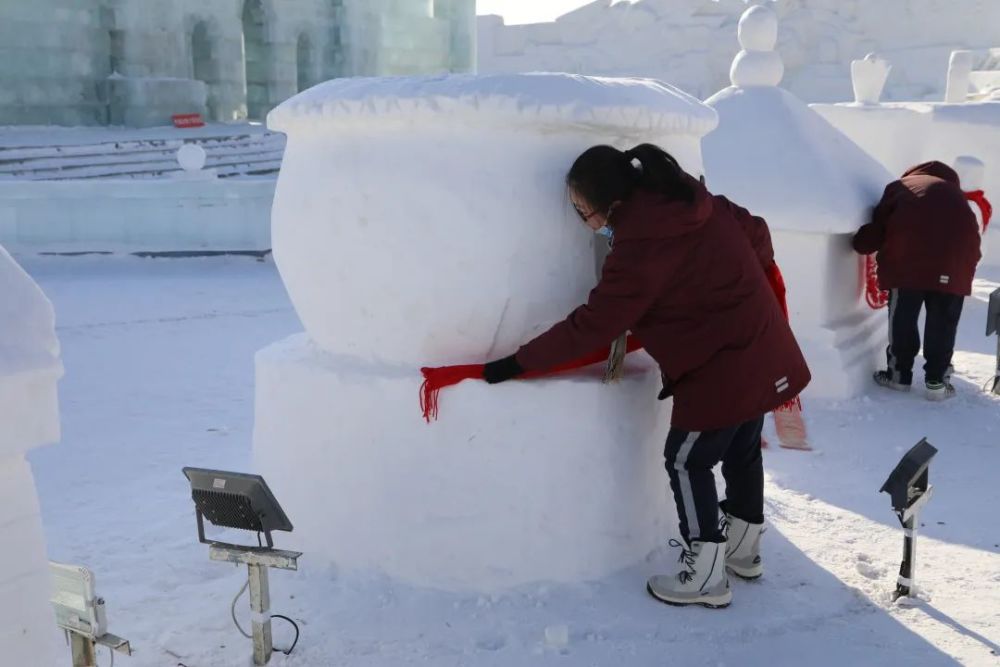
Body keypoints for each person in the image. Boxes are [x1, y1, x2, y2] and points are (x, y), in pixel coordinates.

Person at [481, 144, 811, 609]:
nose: (586, 223)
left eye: (583, 212)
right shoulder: (691, 201)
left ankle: (706, 574)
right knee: (740, 446)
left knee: (686, 459)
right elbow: (756, 232)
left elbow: (597, 322)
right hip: (760, 344)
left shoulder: (642, 244)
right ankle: (743, 549)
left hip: (721, 365)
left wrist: (518, 362)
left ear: (608, 203)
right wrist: (740, 287)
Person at [853, 161, 982, 401]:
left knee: (903, 316)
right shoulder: (957, 196)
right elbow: (973, 238)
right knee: (943, 321)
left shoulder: (900, 187)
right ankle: (937, 381)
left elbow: (879, 227)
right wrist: (961, 274)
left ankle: (898, 375)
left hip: (907, 262)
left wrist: (860, 244)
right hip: (955, 264)